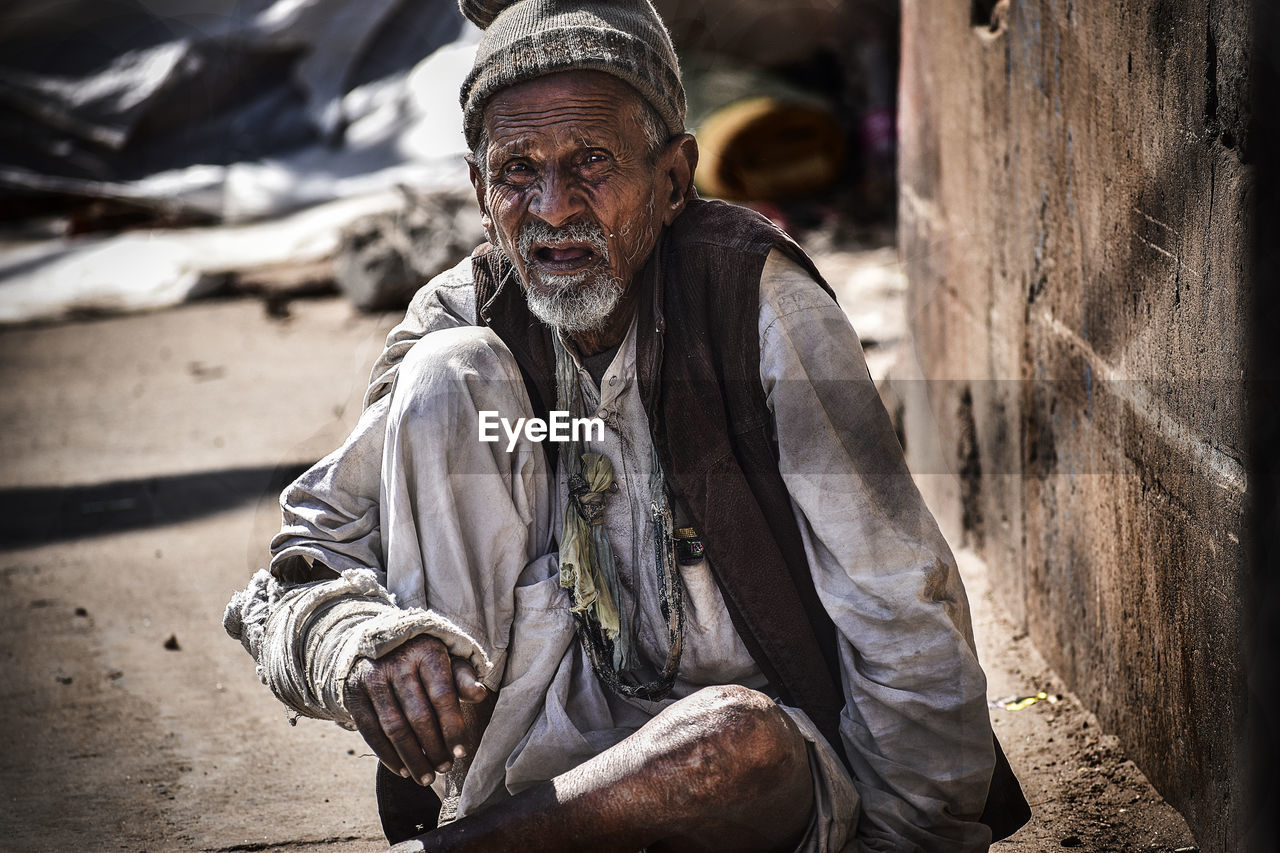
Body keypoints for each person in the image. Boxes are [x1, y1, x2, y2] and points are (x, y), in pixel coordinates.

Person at [224, 1, 1029, 850]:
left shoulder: (756, 302)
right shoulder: (464, 316)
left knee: (733, 741)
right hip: (515, 776)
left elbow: (900, 600)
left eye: (592, 163)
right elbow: (292, 578)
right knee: (447, 373)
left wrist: (907, 839)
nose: (553, 206)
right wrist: (363, 649)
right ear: (477, 190)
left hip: (740, 794)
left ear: (675, 178)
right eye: (516, 171)